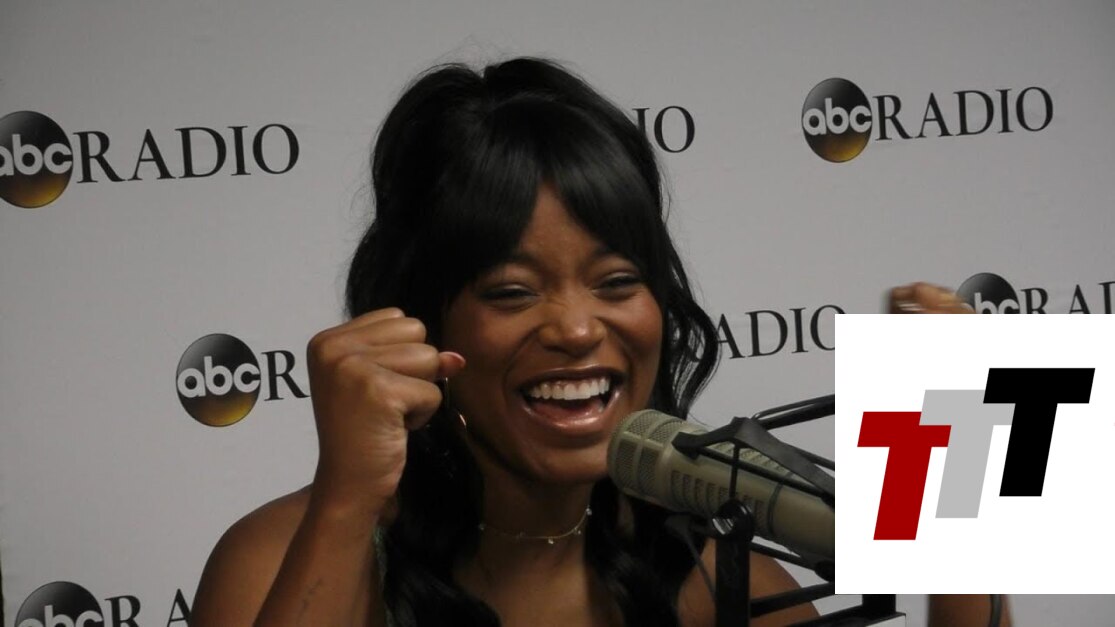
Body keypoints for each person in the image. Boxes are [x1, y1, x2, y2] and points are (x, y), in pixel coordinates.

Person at [191, 57, 1009, 627]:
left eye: (617, 282)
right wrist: (348, 497)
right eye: (511, 291)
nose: (579, 329)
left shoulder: (708, 574)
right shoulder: (276, 556)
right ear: (422, 326)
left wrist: (965, 459)